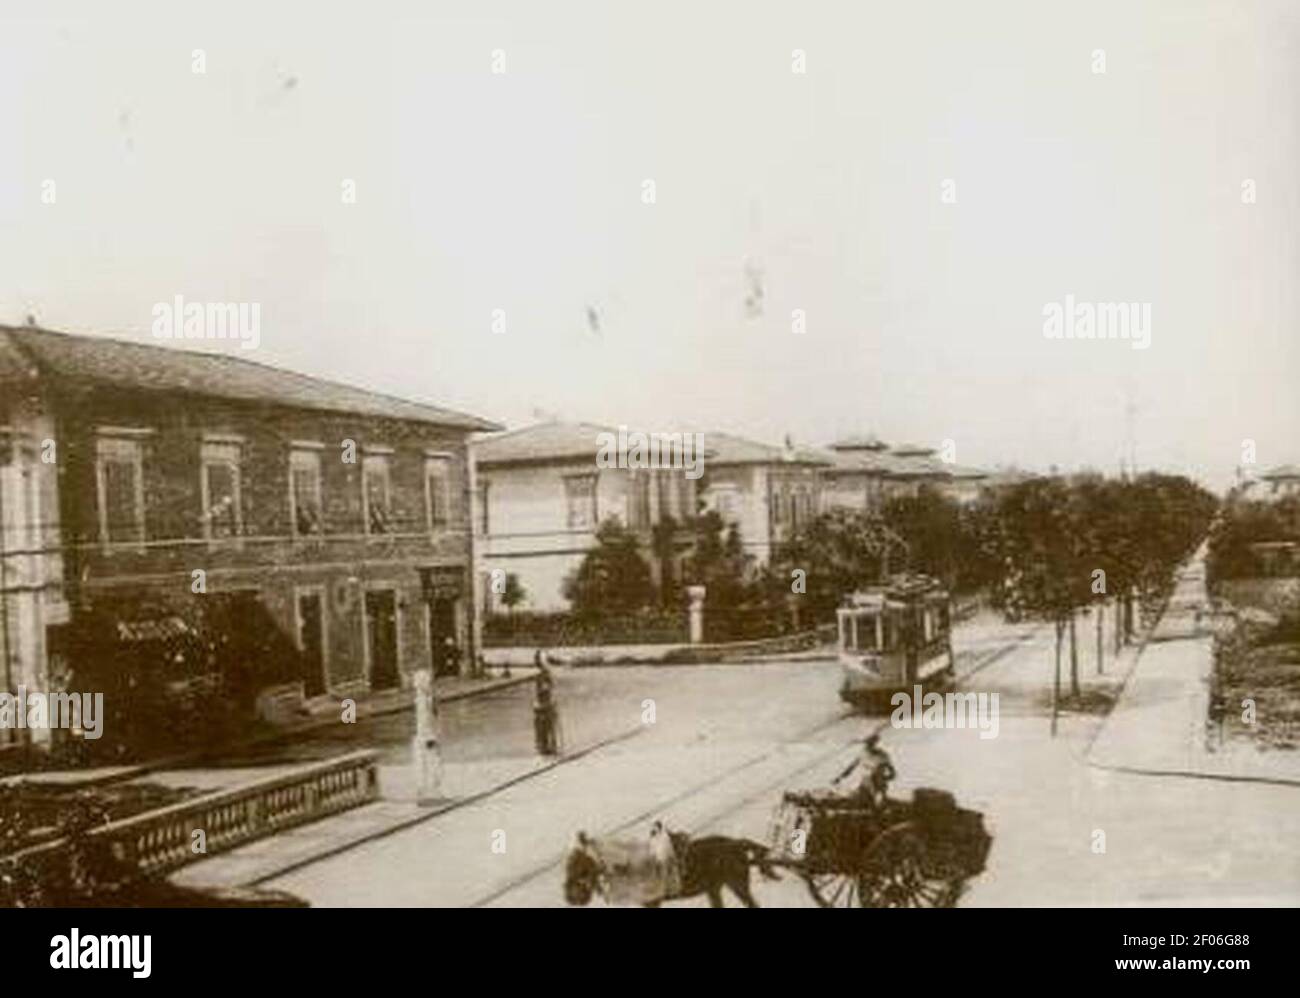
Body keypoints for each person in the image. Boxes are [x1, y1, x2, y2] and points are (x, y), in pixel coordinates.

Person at [832, 733, 895, 809]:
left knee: (878, 802)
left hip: (877, 783)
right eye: (867, 744)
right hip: (866, 782)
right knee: (860, 800)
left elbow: (892, 773)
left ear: (874, 744)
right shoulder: (863, 754)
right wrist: (839, 778)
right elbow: (851, 768)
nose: (867, 746)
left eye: (869, 744)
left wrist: (883, 778)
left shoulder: (882, 755)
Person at [648, 820, 682, 898]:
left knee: (670, 874)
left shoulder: (663, 836)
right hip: (660, 859)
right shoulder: (655, 837)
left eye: (657, 828)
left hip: (664, 858)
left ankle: (673, 890)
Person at [533, 655, 559, 755]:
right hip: (543, 706)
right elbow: (542, 690)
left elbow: (550, 688)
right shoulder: (541, 676)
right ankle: (544, 747)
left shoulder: (545, 676)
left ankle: (548, 746)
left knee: (548, 726)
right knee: (544, 727)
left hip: (545, 705)